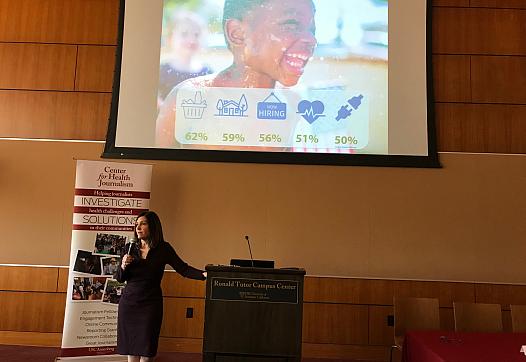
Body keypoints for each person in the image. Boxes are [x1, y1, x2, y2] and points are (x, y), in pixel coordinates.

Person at [155, 0, 317, 147]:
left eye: (312, 30)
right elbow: (159, 171)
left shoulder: (292, 103)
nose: (312, 40)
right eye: (291, 25)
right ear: (237, 32)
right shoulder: (187, 97)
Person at [115, 211, 206, 362]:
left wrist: (204, 275)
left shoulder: (164, 249)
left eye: (143, 224)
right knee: (132, 350)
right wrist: (123, 266)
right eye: (136, 224)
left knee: (147, 350)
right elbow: (119, 278)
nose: (138, 227)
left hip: (151, 304)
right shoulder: (129, 248)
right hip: (129, 303)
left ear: (153, 226)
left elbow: (183, 269)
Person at [158, 10, 212, 105]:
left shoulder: (207, 73)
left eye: (196, 34)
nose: (191, 39)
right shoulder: (162, 71)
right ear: (170, 38)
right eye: (184, 34)